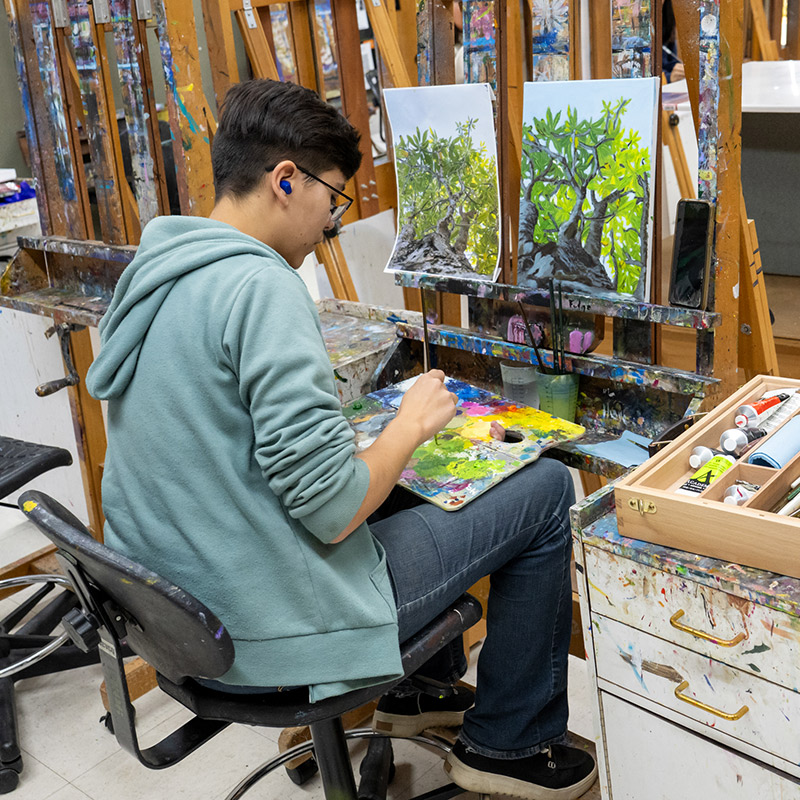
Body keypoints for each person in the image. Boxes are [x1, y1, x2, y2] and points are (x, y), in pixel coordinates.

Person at [86, 78, 596, 800]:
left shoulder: (159, 270)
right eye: (335, 197)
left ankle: (416, 694)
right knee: (544, 490)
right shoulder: (261, 289)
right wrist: (411, 424)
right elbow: (331, 508)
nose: (333, 220)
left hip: (176, 610)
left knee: (404, 478)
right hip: (263, 620)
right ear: (285, 180)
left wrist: (389, 443)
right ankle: (509, 745)